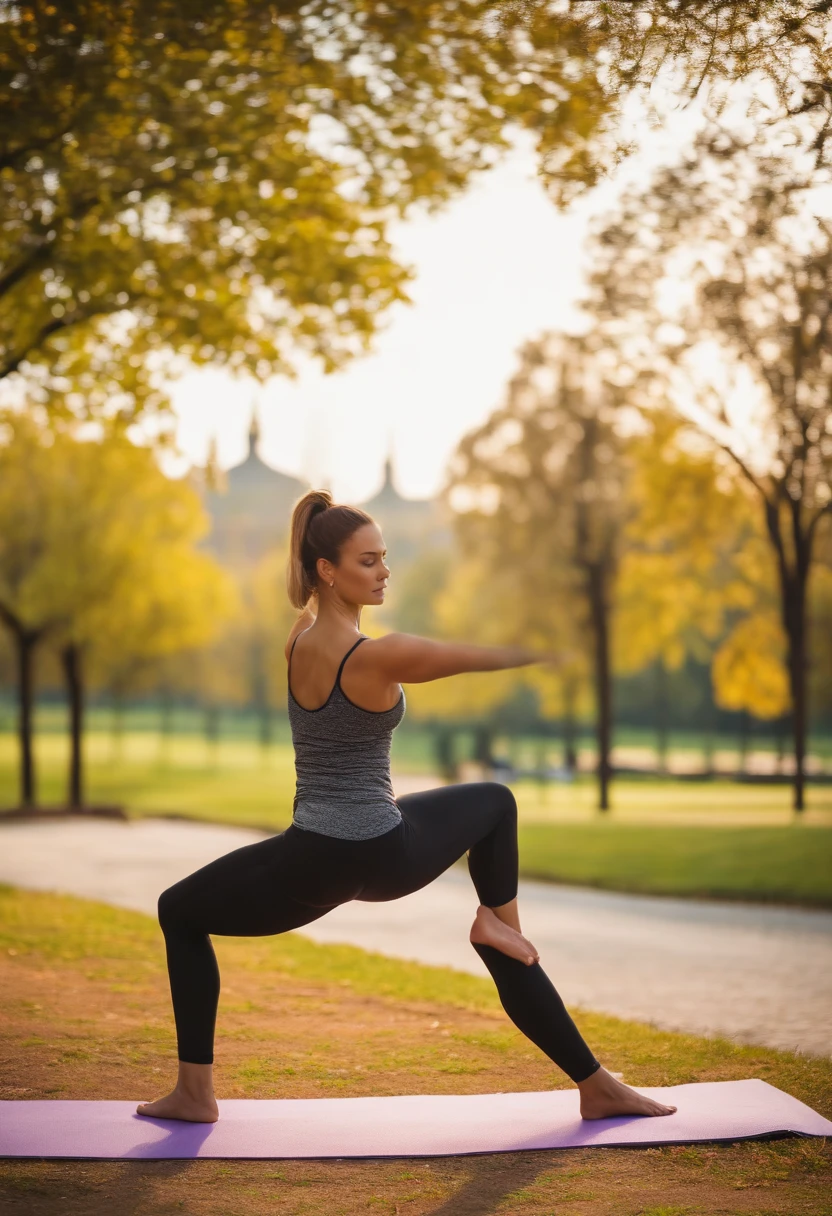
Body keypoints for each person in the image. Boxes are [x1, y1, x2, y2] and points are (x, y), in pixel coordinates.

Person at [137, 490, 676, 1125]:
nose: (385, 571)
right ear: (328, 570)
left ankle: (195, 1094)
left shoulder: (297, 641)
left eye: (385, 557)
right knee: (496, 803)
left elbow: (321, 622)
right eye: (368, 561)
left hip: (310, 864)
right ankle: (503, 931)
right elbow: (474, 657)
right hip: (385, 855)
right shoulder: (379, 656)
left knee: (179, 911)